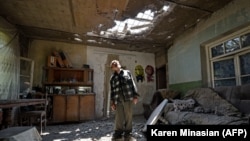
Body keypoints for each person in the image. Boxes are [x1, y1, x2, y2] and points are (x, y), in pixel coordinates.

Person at [109, 60, 140, 141]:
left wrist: (135, 96)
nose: (115, 65)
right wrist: (112, 102)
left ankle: (128, 133)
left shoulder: (127, 72)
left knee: (128, 115)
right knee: (119, 116)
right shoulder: (112, 77)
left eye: (116, 63)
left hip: (128, 97)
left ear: (119, 65)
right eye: (113, 65)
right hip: (117, 98)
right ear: (112, 68)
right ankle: (118, 133)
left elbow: (132, 84)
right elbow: (112, 91)